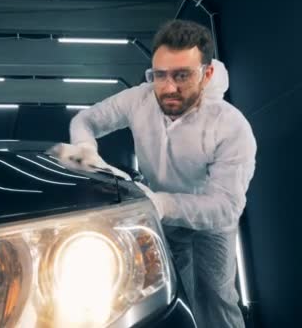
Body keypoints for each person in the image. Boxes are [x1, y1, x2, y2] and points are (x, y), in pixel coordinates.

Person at [50, 19, 257, 328]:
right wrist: (86, 148)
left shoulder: (231, 126)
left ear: (207, 74)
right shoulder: (140, 98)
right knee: (170, 293)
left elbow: (225, 206)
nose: (169, 87)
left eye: (182, 75)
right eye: (160, 75)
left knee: (215, 298)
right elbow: (86, 120)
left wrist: (160, 204)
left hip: (211, 223)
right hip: (161, 214)